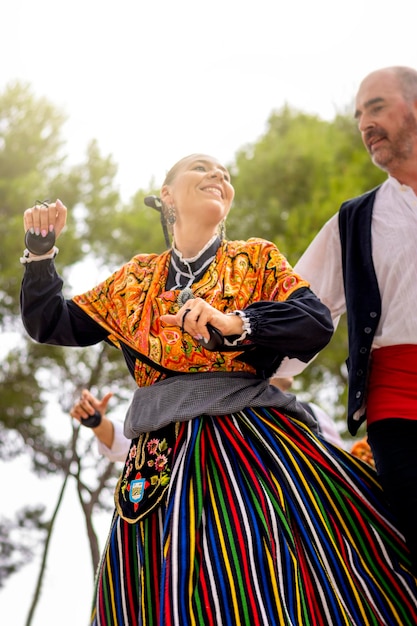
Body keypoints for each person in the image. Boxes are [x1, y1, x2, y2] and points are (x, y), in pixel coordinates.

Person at [20, 154, 417, 624]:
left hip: (254, 447)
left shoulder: (256, 258)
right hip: (158, 464)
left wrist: (237, 322)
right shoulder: (133, 280)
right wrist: (40, 256)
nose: (218, 176)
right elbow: (51, 322)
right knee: (154, 596)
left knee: (261, 578)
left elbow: (312, 320)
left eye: (225, 175)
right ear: (166, 195)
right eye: (200, 167)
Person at [278, 66, 417, 576]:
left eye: (377, 107)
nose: (365, 124)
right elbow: (299, 310)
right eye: (359, 114)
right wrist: (254, 379)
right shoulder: (354, 221)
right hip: (399, 406)